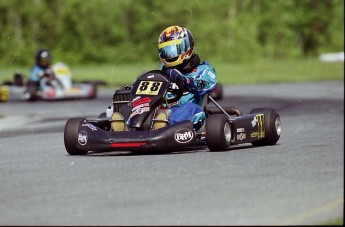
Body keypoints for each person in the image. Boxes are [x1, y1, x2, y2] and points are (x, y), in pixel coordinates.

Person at [156, 25, 217, 130]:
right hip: (159, 110)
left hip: (184, 112)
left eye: (172, 50)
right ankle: (125, 124)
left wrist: (184, 80)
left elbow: (205, 85)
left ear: (187, 47)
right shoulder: (163, 72)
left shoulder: (203, 70)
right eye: (166, 51)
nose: (169, 55)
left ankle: (164, 124)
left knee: (191, 109)